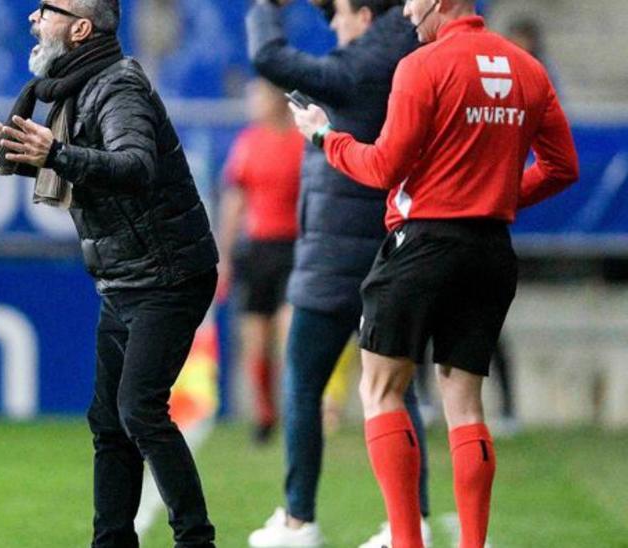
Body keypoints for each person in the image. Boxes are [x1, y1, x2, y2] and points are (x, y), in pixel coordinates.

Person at [289, 0, 579, 545]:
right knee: (465, 404)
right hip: (490, 250)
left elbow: (381, 168)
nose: (406, 11)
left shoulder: (422, 66)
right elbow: (564, 166)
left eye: (414, 1)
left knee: (382, 390)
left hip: (420, 244)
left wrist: (324, 136)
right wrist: (498, 198)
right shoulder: (527, 68)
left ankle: (406, 540)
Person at [0, 1, 222, 545]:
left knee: (138, 409)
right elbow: (68, 158)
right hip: (126, 276)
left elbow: (134, 165)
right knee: (109, 422)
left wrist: (57, 154)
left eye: (47, 9)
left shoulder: (118, 87)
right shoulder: (78, 85)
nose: (33, 17)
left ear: (80, 27)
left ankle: (196, 539)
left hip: (167, 274)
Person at [241, 1, 432, 546]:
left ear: (367, 17)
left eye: (340, 16)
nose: (334, 28)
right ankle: (411, 523)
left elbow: (268, 56)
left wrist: (266, 7)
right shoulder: (404, 57)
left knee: (302, 381)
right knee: (398, 389)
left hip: (336, 259)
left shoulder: (367, 63)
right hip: (386, 250)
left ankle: (299, 520)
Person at [217, 78, 302, 446]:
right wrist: (224, 255)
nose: (253, 105)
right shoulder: (247, 144)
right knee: (256, 341)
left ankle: (295, 410)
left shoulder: (302, 142)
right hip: (257, 251)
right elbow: (234, 201)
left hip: (295, 249)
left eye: (259, 97)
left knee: (290, 335)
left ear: (278, 100)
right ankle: (265, 413)